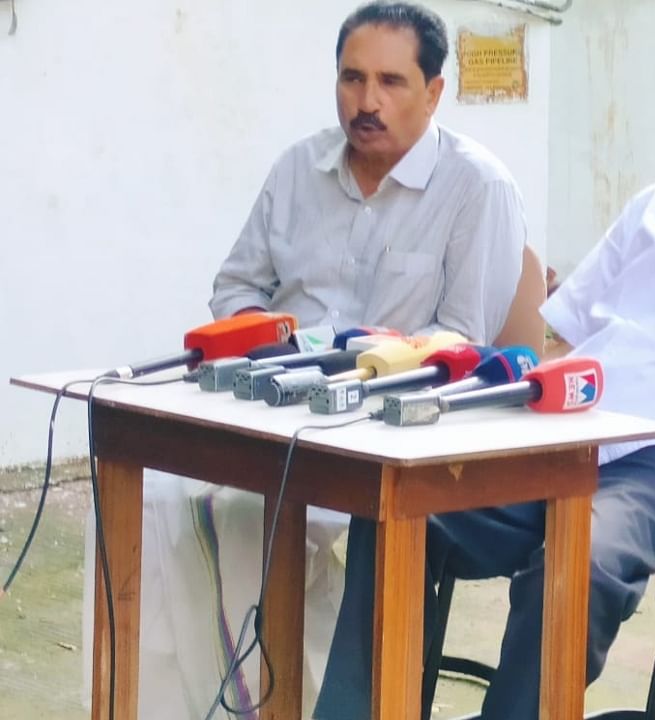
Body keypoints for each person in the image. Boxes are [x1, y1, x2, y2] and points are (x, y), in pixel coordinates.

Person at [312, 18, 655, 720]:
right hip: (568, 433)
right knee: (397, 502)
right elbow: (563, 338)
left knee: (582, 556)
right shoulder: (653, 208)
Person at [133, 2, 530, 717]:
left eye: (391, 81)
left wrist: (352, 361)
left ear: (434, 92)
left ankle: (281, 704)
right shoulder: (298, 169)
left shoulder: (479, 188)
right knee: (152, 501)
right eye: (351, 78)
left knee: (241, 521)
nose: (366, 102)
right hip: (271, 410)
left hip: (388, 445)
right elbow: (236, 285)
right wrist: (273, 342)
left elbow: (463, 343)